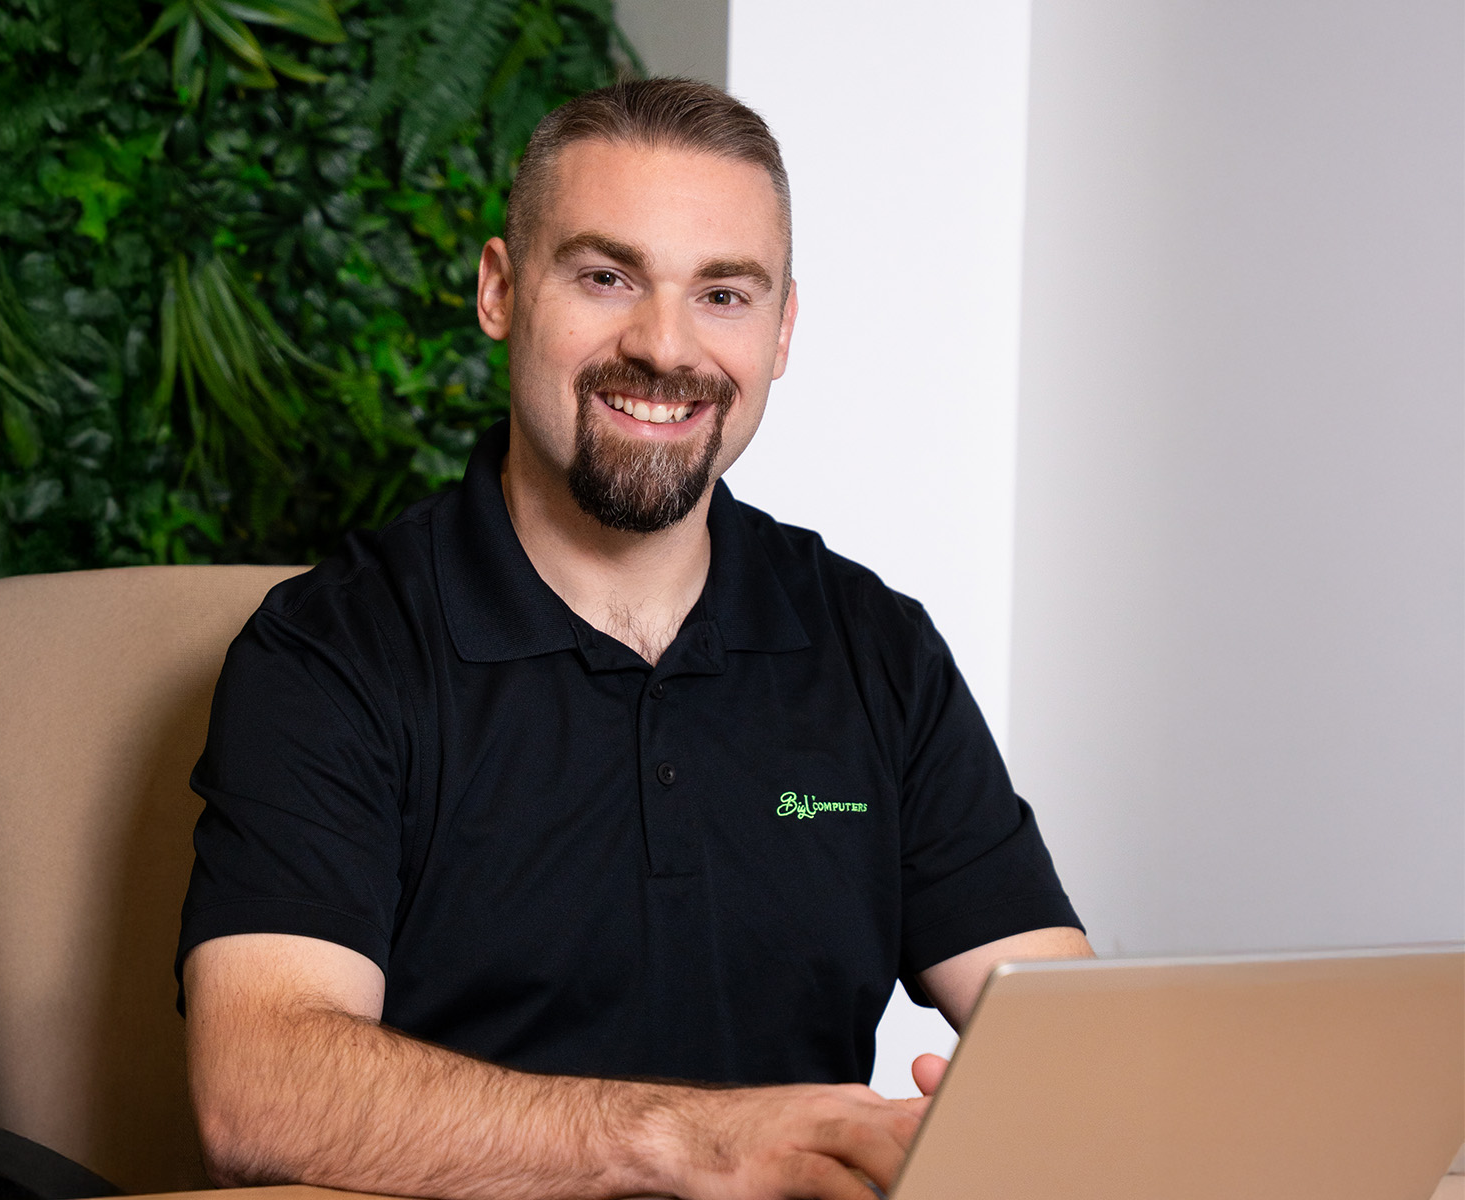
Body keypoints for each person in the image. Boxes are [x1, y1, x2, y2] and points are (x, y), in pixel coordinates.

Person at [178, 78, 1091, 1200]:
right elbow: (258, 1093)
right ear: (501, 291)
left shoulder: (873, 647)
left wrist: (1033, 1116)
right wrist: (689, 1141)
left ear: (782, 329)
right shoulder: (332, 652)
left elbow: (1074, 1044)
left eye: (722, 293)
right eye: (606, 277)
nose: (664, 348)